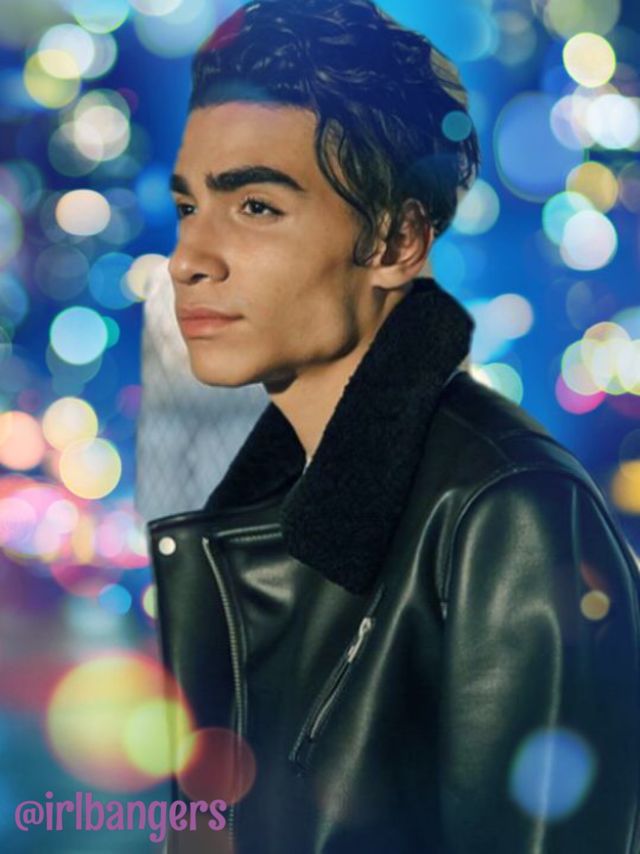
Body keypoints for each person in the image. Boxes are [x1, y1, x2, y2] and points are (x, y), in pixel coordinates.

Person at [146, 1, 640, 851]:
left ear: (397, 242)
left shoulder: (509, 516)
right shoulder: (257, 510)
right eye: (189, 207)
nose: (189, 258)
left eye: (255, 206)